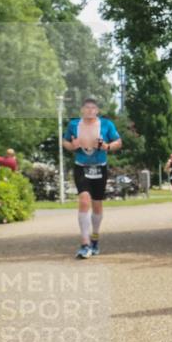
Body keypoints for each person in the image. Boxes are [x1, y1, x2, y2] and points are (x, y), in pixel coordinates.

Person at [62, 98, 122, 258]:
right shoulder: (74, 124)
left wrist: (107, 146)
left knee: (97, 205)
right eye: (87, 107)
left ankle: (95, 238)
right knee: (84, 200)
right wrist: (72, 146)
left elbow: (118, 142)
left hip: (100, 167)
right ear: (82, 110)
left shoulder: (106, 124)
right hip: (81, 166)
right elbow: (65, 141)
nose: (90, 110)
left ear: (97, 110)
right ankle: (85, 243)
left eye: (93, 108)